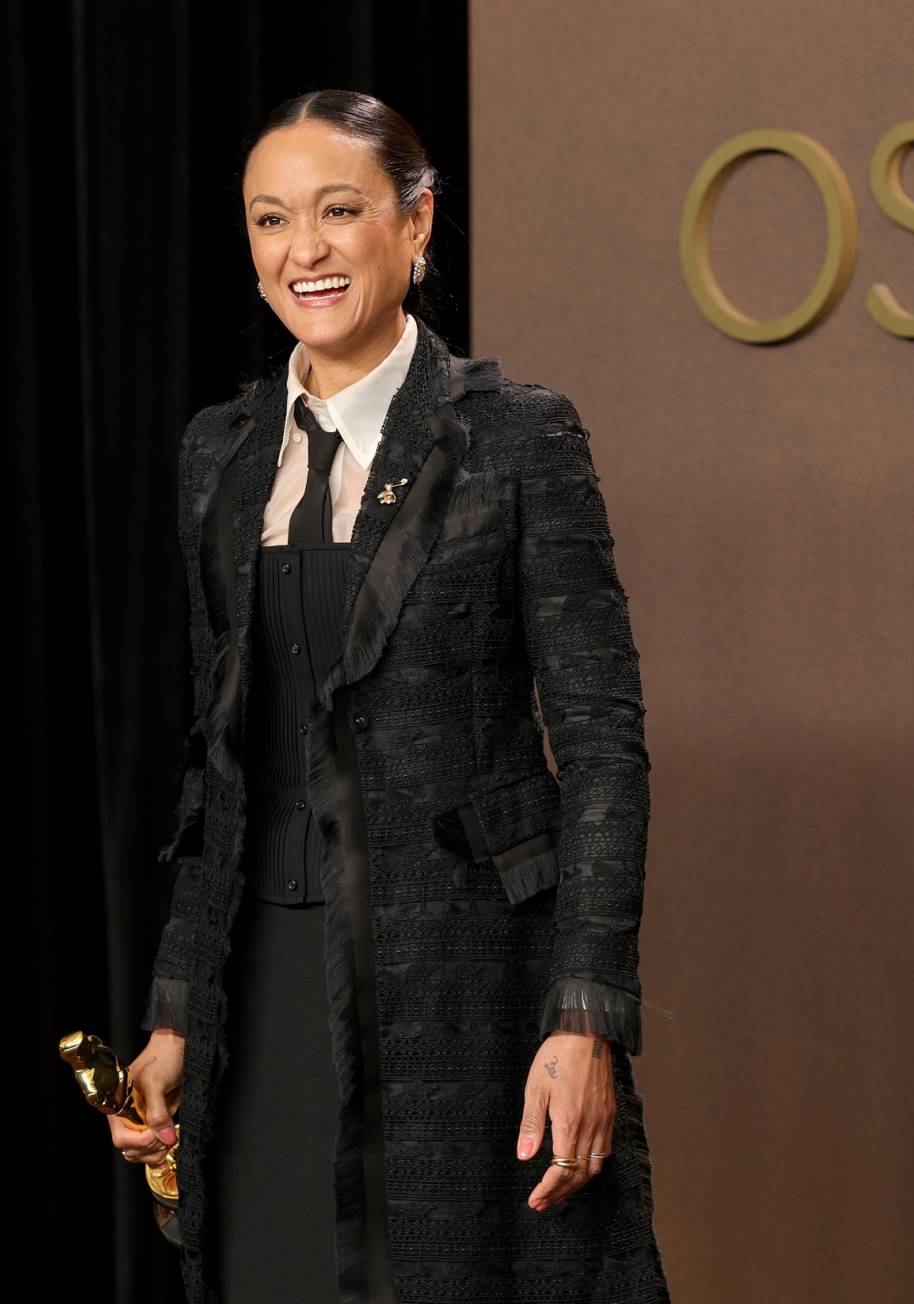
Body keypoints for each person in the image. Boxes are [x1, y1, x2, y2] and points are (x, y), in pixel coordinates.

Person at [106, 89, 670, 1304]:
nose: (301, 249)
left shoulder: (518, 439)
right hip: (258, 991)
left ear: (417, 226)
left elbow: (604, 747)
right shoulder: (221, 452)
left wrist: (586, 1015)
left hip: (467, 991)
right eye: (269, 220)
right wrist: (174, 1010)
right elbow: (219, 758)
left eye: (338, 210)